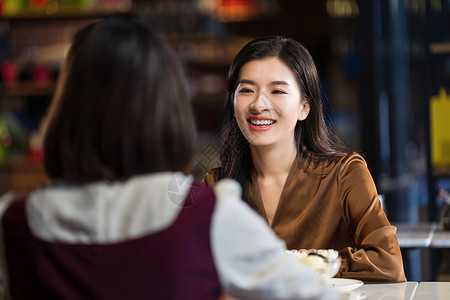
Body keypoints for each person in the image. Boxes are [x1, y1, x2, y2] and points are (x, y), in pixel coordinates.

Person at [0, 15, 341, 300]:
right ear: (170, 110)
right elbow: (314, 295)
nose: (258, 104)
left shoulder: (14, 222)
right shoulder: (211, 217)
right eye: (247, 90)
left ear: (64, 109)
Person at [203, 35, 406, 283]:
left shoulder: (345, 174)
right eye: (246, 90)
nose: (258, 104)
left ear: (304, 107)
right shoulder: (215, 187)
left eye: (277, 90)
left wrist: (294, 265)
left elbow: (388, 263)